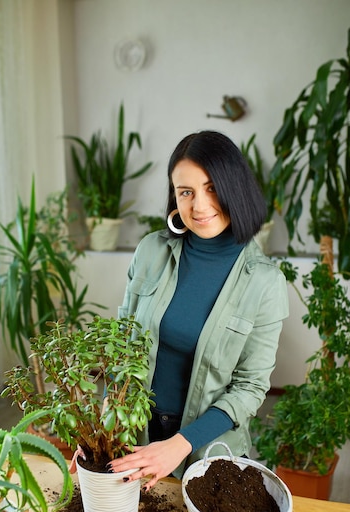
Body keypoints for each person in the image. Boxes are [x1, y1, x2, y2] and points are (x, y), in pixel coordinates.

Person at [108, 130, 288, 490]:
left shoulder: (265, 282)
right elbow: (121, 348)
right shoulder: (150, 252)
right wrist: (102, 429)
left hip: (206, 449)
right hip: (135, 433)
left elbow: (250, 388)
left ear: (234, 187)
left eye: (212, 188)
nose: (200, 206)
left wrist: (178, 445)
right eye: (186, 192)